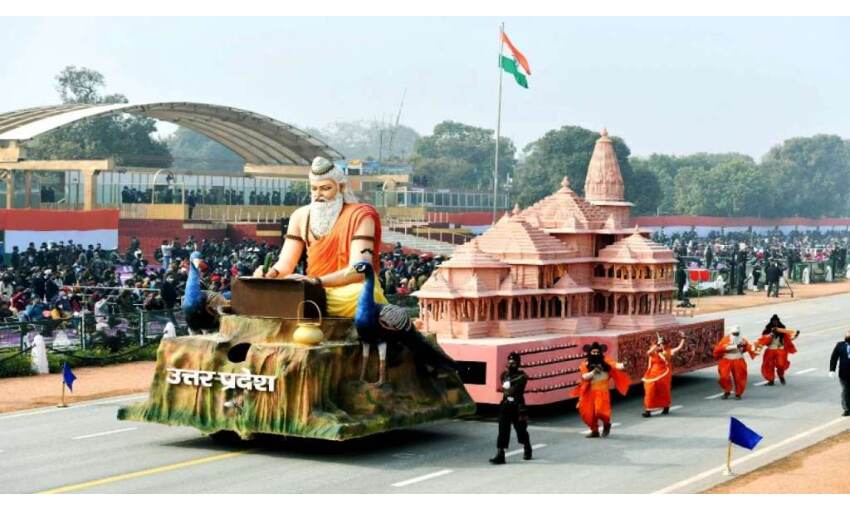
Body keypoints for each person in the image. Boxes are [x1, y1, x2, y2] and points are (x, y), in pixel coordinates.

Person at [253, 157, 387, 317]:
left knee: (363, 295)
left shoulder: (361, 216)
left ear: (341, 187)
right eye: (314, 189)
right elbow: (286, 264)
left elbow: (359, 270)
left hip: (347, 289)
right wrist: (272, 273)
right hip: (311, 288)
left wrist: (317, 282)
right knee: (266, 292)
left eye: (325, 188)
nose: (318, 195)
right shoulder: (300, 216)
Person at [570, 342, 629, 438]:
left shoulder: (606, 361)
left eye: (597, 352)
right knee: (588, 413)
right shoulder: (585, 364)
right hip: (589, 392)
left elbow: (616, 365)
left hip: (602, 391)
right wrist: (593, 372)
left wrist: (624, 364)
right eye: (593, 352)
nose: (595, 354)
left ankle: (606, 424)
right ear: (589, 353)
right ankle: (594, 431)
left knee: (600, 411)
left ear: (600, 352)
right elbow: (585, 377)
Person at [489, 352, 532, 464]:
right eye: (509, 361)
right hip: (506, 404)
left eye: (513, 362)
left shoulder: (522, 376)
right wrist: (509, 383)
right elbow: (506, 389)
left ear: (518, 362)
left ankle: (527, 446)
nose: (511, 363)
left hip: (518, 406)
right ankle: (500, 454)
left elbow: (515, 387)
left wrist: (509, 383)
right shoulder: (504, 375)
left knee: (521, 429)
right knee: (503, 429)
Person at [641, 332, 686, 417]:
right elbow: (648, 352)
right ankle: (648, 410)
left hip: (663, 375)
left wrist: (683, 338)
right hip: (651, 375)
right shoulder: (653, 352)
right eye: (660, 344)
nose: (661, 346)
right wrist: (657, 344)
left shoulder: (667, 352)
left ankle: (666, 406)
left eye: (663, 344)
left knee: (664, 391)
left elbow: (679, 347)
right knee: (649, 391)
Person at [713, 325, 758, 399]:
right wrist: (735, 346)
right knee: (724, 377)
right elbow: (719, 348)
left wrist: (754, 347)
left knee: (739, 378)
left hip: (738, 360)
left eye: (737, 333)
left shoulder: (743, 340)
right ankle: (727, 391)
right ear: (731, 333)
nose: (736, 335)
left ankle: (738, 393)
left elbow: (749, 347)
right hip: (727, 360)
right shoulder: (726, 339)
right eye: (734, 333)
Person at [755, 315, 799, 385]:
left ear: (778, 322)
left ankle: (781, 375)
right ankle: (771, 380)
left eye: (776, 321)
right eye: (773, 321)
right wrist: (771, 334)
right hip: (770, 350)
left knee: (781, 365)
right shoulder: (767, 331)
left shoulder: (782, 331)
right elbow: (763, 341)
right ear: (771, 322)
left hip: (780, 350)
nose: (775, 323)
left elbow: (789, 339)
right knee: (769, 365)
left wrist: (796, 335)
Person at [828, 332, 850, 417]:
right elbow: (834, 358)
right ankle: (847, 409)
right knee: (846, 391)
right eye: (847, 335)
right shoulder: (840, 345)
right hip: (844, 373)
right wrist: (832, 370)